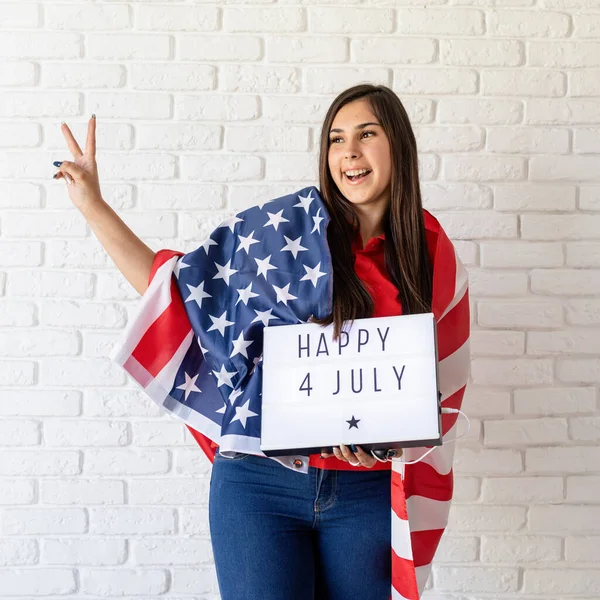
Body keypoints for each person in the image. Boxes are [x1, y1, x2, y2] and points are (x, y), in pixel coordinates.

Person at [54, 84, 459, 600]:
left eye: (367, 134)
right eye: (335, 139)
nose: (349, 152)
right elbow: (176, 290)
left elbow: (439, 389)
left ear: (399, 145)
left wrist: (389, 438)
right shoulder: (286, 233)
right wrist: (92, 203)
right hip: (259, 485)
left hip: (367, 493)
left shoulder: (429, 253)